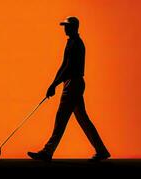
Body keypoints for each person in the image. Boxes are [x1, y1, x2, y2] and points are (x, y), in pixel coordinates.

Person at [27, 17, 110, 162]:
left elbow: (68, 68)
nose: (65, 28)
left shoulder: (76, 44)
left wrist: (54, 85)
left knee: (61, 118)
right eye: (65, 26)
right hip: (73, 83)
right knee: (83, 120)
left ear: (74, 27)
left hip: (73, 84)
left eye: (67, 26)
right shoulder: (72, 42)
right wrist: (53, 83)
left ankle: (47, 152)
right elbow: (63, 65)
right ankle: (101, 150)